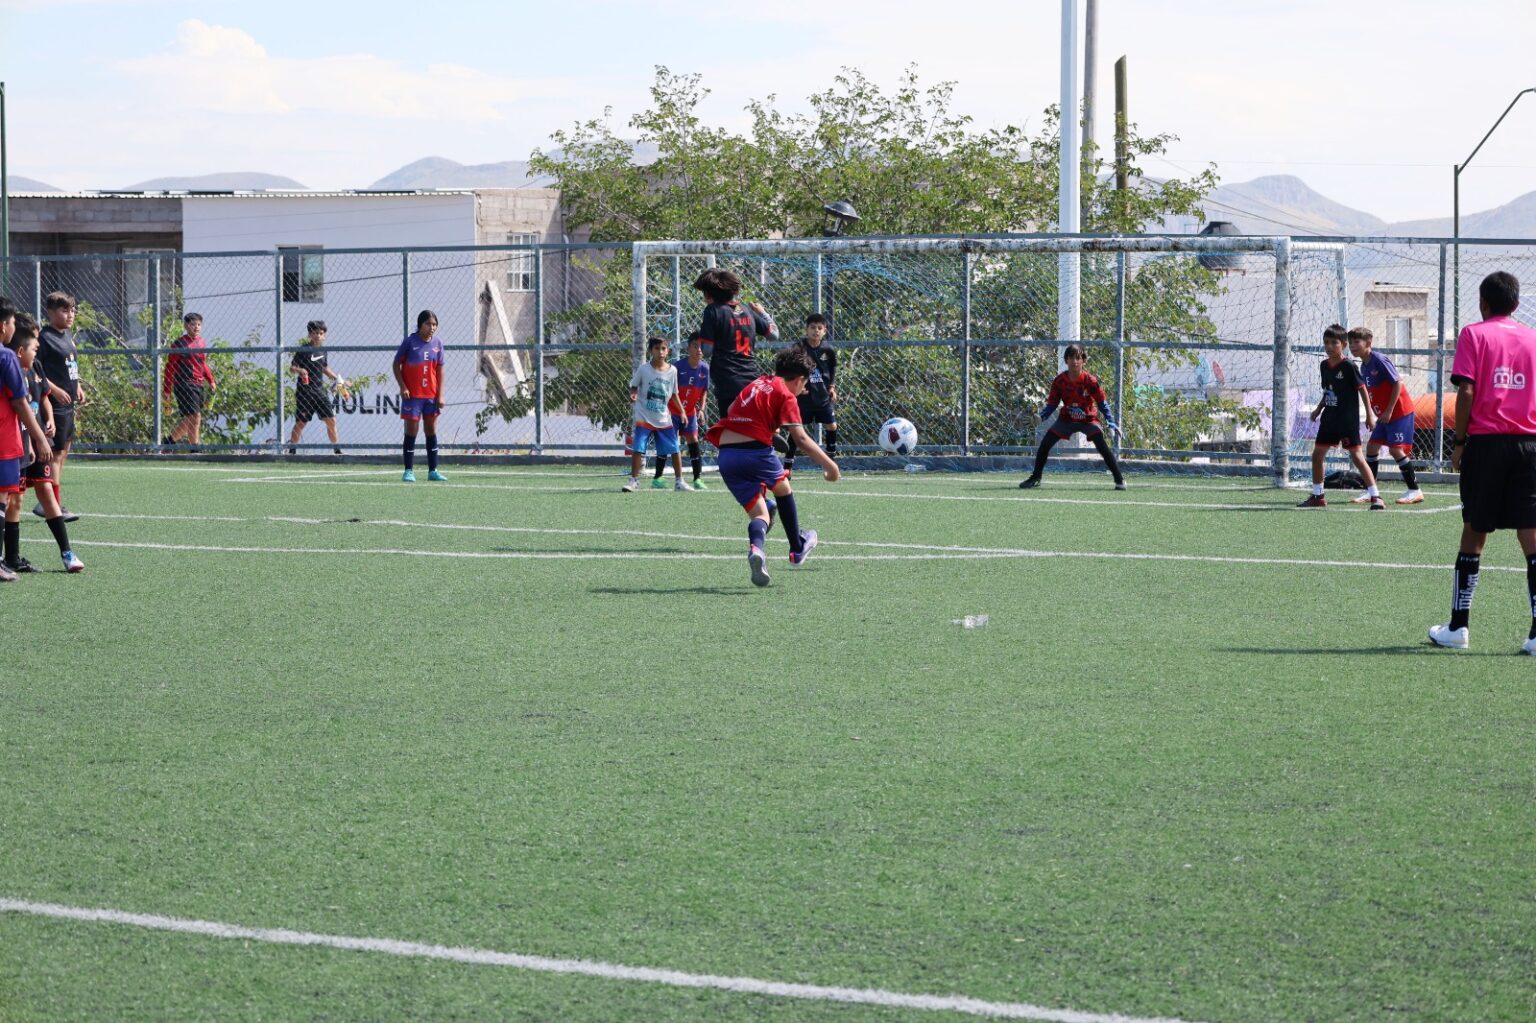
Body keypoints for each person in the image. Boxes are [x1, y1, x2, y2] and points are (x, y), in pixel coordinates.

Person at [1429, 271, 1536, 652]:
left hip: (1487, 445)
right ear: (1517, 303)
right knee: (1532, 534)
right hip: (1529, 445)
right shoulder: (1533, 338)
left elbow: (1467, 391)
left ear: (1483, 302)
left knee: (1474, 533)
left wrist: (1458, 442)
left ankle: (1458, 628)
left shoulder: (1473, 334)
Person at [705, 346, 840, 587]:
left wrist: (771, 429)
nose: (804, 390)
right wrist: (831, 466)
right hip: (755, 452)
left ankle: (757, 549)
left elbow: (738, 408)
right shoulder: (786, 395)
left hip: (726, 455)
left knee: (760, 514)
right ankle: (797, 548)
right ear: (798, 379)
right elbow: (801, 440)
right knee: (783, 488)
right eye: (804, 384)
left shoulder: (758, 383)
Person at [3, 313, 80, 573]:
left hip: (38, 441)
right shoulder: (11, 368)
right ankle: (11, 558)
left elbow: (42, 396)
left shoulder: (35, 368)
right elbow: (19, 406)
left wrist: (47, 421)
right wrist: (35, 439)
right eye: (35, 345)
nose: (38, 350)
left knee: (46, 491)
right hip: (22, 443)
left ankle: (67, 553)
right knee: (14, 501)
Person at [0, 301, 57, 582]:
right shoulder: (7, 358)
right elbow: (21, 403)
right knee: (3, 498)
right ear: (4, 326)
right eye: (10, 322)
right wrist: (40, 439)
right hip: (4, 438)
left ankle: (9, 558)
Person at [1018, 344, 1127, 490]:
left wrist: (1111, 422)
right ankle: (1036, 477)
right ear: (1066, 360)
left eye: (1078, 358)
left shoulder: (1090, 381)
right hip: (1066, 419)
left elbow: (1102, 403)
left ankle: (1119, 480)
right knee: (1045, 445)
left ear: (1084, 361)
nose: (1074, 361)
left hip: (1088, 419)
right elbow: (1052, 404)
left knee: (1102, 446)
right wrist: (1041, 417)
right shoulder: (1059, 381)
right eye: (1071, 358)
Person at [1298, 325, 1382, 509]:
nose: (1329, 346)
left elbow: (1363, 390)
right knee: (1317, 455)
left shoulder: (1349, 366)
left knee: (1357, 457)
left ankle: (1376, 496)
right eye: (1326, 343)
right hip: (1329, 418)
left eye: (1334, 343)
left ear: (1343, 344)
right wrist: (1319, 409)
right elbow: (1329, 390)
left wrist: (1369, 415)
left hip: (1347, 420)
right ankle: (1318, 496)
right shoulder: (1324, 366)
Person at [1347, 327, 1424, 505]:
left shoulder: (1379, 360)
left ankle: (1415, 490)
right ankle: (1370, 491)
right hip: (1383, 415)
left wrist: (1389, 410)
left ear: (1369, 343)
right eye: (1350, 342)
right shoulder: (1363, 365)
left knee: (1395, 449)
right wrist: (1371, 414)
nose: (1353, 346)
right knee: (1372, 447)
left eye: (1357, 342)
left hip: (1399, 412)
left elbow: (1397, 383)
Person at [693, 268, 778, 416]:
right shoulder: (747, 310)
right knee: (750, 427)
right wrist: (763, 312)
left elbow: (706, 351)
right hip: (751, 380)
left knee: (730, 429)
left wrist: (703, 337)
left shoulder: (713, 310)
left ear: (710, 293)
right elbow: (774, 334)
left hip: (727, 381)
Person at [34, 291, 80, 522]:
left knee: (64, 452)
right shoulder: (44, 338)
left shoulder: (67, 335)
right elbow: (37, 370)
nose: (70, 314)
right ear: (50, 313)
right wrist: (56, 390)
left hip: (69, 404)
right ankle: (53, 504)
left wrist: (77, 386)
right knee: (56, 453)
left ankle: (48, 500)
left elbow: (70, 365)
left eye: (72, 310)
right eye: (64, 310)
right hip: (54, 404)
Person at [623, 338, 687, 492]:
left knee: (675, 449)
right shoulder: (644, 369)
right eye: (657, 348)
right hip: (644, 418)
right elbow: (634, 386)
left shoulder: (673, 371)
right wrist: (633, 394)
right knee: (638, 448)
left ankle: (679, 482)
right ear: (651, 350)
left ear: (668, 351)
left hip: (663, 418)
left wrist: (682, 411)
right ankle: (634, 481)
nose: (661, 352)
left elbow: (674, 394)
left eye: (664, 348)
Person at [393, 309, 446, 483]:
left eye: (434, 324)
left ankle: (433, 471)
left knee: (431, 431)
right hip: (413, 397)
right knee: (412, 431)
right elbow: (396, 365)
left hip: (430, 396)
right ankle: (408, 471)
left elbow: (439, 370)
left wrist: (440, 395)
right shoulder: (409, 342)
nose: (432, 327)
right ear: (420, 325)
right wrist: (403, 387)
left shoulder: (438, 343)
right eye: (428, 324)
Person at [652, 332, 710, 489]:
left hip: (690, 413)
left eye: (702, 347)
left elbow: (704, 390)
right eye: (695, 346)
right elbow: (669, 391)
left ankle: (697, 479)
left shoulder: (705, 368)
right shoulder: (677, 367)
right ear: (688, 348)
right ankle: (657, 478)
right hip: (672, 412)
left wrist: (701, 409)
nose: (699, 350)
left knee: (694, 443)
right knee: (668, 444)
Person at [784, 313, 838, 471]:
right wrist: (796, 386)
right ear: (806, 329)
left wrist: (832, 387)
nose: (816, 331)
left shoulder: (828, 349)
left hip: (822, 397)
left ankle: (830, 463)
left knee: (832, 426)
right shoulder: (798, 348)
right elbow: (789, 366)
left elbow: (832, 368)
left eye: (819, 328)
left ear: (825, 331)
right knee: (796, 430)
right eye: (812, 327)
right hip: (804, 398)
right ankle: (787, 466)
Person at [287, 319, 347, 457]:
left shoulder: (323, 351)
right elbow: (292, 367)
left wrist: (339, 379)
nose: (318, 336)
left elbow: (324, 368)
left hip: (320, 391)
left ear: (324, 335)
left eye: (321, 333)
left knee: (331, 420)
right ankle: (291, 452)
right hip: (305, 392)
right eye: (315, 333)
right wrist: (301, 370)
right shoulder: (303, 350)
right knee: (301, 422)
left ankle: (337, 451)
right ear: (309, 334)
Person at [162, 312, 217, 452]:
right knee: (196, 416)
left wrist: (210, 380)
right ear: (186, 326)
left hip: (198, 384)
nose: (196, 327)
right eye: (193, 324)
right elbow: (170, 367)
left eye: (199, 325)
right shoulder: (179, 344)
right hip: (184, 383)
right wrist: (167, 390)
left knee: (189, 419)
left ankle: (168, 443)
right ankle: (195, 450)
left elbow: (202, 364)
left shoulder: (201, 342)